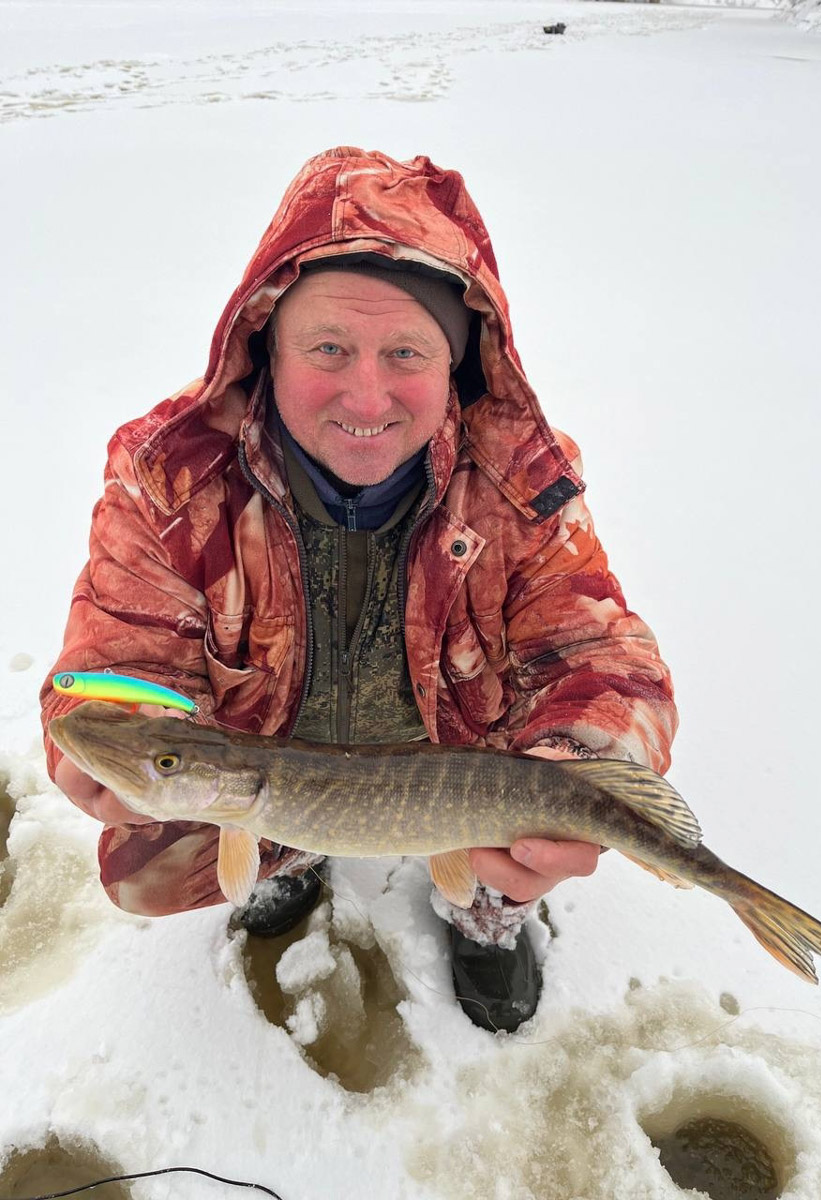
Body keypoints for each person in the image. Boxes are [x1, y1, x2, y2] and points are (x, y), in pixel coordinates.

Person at [40, 146, 678, 1033]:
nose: (367, 395)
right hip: (275, 751)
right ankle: (287, 856)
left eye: (407, 351)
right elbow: (114, 658)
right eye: (329, 346)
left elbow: (601, 653)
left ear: (453, 365)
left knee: (519, 827)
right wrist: (136, 729)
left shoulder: (520, 480)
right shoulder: (172, 476)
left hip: (461, 760)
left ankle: (484, 910)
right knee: (145, 854)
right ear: (266, 345)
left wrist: (576, 759)